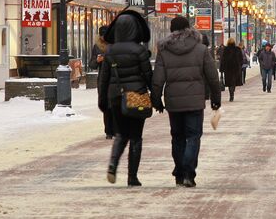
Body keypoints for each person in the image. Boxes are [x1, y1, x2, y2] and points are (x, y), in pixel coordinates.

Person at [151, 16, 222, 188]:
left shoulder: (164, 51)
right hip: (195, 101)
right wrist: (216, 99)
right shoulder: (201, 49)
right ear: (189, 29)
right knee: (193, 136)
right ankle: (189, 172)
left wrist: (156, 100)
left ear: (171, 31)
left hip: (174, 102)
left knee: (177, 137)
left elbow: (158, 79)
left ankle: (180, 172)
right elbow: (213, 77)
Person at [97, 11, 152, 186]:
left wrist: (102, 100)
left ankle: (113, 164)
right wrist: (156, 97)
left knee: (121, 134)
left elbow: (103, 79)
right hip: (137, 96)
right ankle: (132, 176)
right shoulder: (140, 51)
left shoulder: (109, 51)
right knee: (136, 137)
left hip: (115, 97)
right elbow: (148, 76)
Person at [89, 25, 114, 139]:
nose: (104, 38)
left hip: (115, 79)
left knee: (115, 105)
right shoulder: (97, 47)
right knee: (106, 106)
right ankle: (108, 131)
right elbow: (92, 65)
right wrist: (97, 60)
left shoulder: (116, 45)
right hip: (103, 79)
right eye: (102, 35)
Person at [219, 38, 244, 102]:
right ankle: (232, 92)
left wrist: (221, 69)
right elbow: (241, 59)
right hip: (236, 69)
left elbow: (223, 60)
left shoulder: (225, 50)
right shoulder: (237, 49)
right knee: (234, 82)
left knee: (230, 82)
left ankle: (231, 95)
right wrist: (240, 65)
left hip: (228, 69)